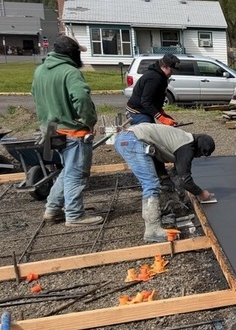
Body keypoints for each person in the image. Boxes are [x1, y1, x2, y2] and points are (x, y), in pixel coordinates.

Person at [31, 35, 103, 226]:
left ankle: (53, 209)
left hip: (50, 130)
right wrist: (89, 121)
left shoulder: (40, 71)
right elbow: (81, 98)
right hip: (71, 131)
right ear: (72, 53)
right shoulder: (70, 72)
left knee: (67, 171)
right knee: (76, 173)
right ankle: (74, 215)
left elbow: (34, 95)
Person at [114, 123, 216, 242]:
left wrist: (164, 177)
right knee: (151, 184)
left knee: (155, 182)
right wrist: (201, 193)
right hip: (133, 141)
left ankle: (158, 212)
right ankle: (152, 230)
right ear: (199, 148)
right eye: (200, 154)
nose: (197, 157)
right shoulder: (186, 147)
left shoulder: (180, 138)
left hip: (129, 138)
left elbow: (156, 155)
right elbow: (185, 180)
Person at [125, 54, 181, 126]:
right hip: (136, 112)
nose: (172, 73)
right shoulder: (154, 78)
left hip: (145, 111)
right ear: (164, 67)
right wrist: (162, 118)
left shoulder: (162, 77)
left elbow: (155, 98)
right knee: (148, 133)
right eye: (171, 70)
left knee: (154, 131)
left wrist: (162, 113)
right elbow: (146, 101)